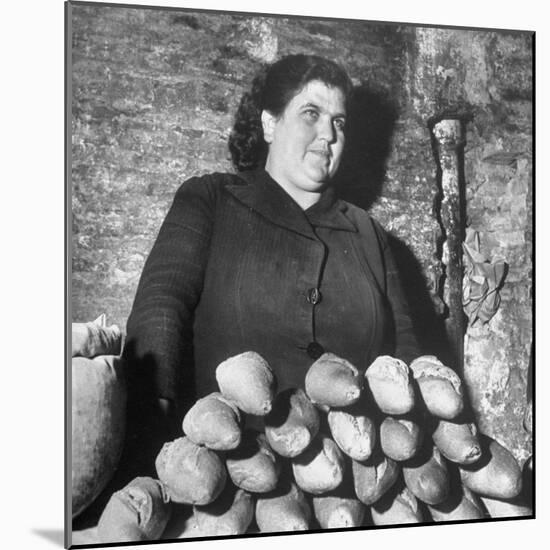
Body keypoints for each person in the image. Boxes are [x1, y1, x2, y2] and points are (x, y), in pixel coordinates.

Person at [122, 54, 419, 454]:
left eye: (339, 122)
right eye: (311, 113)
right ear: (269, 123)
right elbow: (161, 308)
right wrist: (150, 427)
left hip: (351, 472)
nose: (328, 134)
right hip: (230, 462)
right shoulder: (212, 199)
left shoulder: (368, 233)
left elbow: (406, 353)